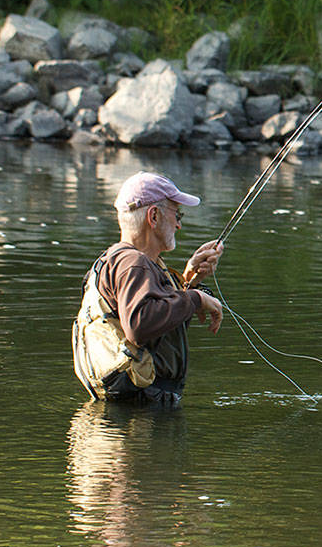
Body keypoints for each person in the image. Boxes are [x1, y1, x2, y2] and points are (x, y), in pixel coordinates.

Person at [72, 172, 225, 406]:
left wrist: (188, 281)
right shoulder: (134, 264)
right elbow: (140, 325)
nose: (179, 225)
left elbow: (160, 330)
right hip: (140, 417)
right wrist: (194, 299)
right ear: (153, 216)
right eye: (177, 215)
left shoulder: (125, 261)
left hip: (132, 411)